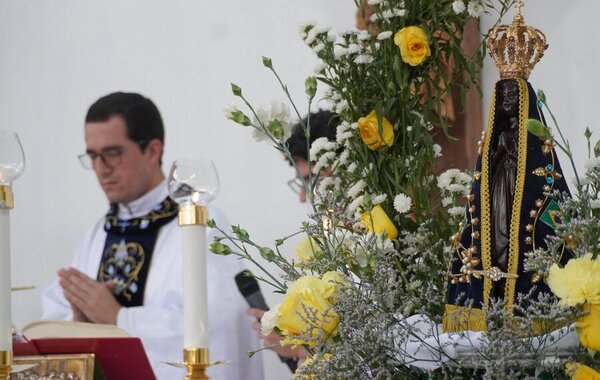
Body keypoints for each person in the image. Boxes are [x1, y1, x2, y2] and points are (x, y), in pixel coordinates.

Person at [41, 92, 264, 379]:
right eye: (93, 156)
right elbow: (54, 319)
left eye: (112, 153)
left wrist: (119, 318)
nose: (100, 168)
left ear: (153, 150)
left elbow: (219, 327)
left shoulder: (201, 222)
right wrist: (80, 323)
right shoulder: (100, 232)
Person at [246, 110, 340, 367]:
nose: (304, 197)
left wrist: (299, 348)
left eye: (310, 180)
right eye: (301, 183)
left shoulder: (382, 236)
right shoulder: (320, 244)